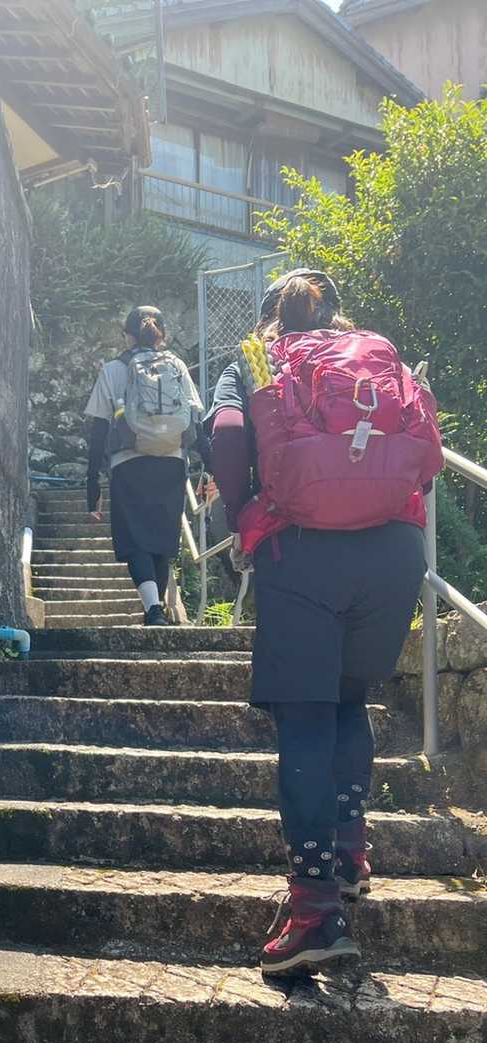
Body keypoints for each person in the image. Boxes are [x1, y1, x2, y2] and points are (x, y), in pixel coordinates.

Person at [207, 270, 442, 976]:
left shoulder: (258, 357)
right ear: (337, 314)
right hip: (394, 549)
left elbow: (225, 434)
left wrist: (243, 512)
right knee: (349, 700)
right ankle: (348, 852)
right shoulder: (375, 351)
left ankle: (314, 911)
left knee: (306, 717)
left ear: (269, 317)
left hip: (301, 548)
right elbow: (424, 449)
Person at [85, 306, 211, 626]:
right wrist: (211, 469)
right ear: (162, 335)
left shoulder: (113, 370)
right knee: (162, 539)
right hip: (172, 461)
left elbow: (98, 430)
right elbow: (197, 424)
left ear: (127, 336)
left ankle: (153, 608)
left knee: (135, 537)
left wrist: (92, 483)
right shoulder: (177, 366)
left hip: (129, 463)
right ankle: (157, 610)